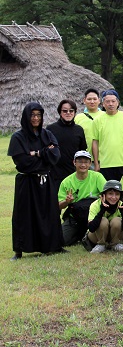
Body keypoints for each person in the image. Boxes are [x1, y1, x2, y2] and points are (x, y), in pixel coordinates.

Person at [7, 102, 63, 260]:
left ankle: (53, 245)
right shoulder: (18, 137)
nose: (36, 118)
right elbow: (22, 162)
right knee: (24, 215)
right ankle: (19, 250)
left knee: (50, 213)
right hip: (27, 182)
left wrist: (37, 153)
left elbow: (56, 156)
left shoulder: (47, 134)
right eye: (32, 115)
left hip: (46, 181)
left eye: (38, 115)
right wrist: (45, 155)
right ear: (26, 116)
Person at [57, 150, 106, 246]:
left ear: (90, 163)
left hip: (94, 216)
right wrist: (67, 202)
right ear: (74, 163)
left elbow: (107, 195)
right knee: (60, 241)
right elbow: (59, 206)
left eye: (86, 161)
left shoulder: (97, 177)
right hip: (75, 218)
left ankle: (87, 234)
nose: (83, 165)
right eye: (80, 161)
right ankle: (79, 235)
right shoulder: (66, 182)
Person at [92, 89, 123, 181]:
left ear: (118, 103)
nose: (110, 104)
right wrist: (96, 163)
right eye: (107, 101)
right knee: (108, 193)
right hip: (105, 164)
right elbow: (95, 142)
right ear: (103, 104)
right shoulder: (97, 120)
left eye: (113, 101)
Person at [47, 99, 87, 187]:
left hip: (74, 174)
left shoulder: (79, 130)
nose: (68, 113)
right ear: (60, 112)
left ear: (75, 112)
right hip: (55, 174)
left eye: (71, 110)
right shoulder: (50, 129)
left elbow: (82, 150)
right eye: (65, 111)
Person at [85, 180, 123, 253]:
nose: (114, 197)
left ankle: (115, 244)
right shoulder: (95, 205)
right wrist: (101, 211)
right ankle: (100, 245)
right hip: (96, 236)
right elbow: (91, 228)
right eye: (110, 194)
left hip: (115, 235)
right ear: (104, 195)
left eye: (117, 194)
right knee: (103, 220)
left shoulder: (122, 205)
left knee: (117, 220)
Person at [74, 88, 104, 155]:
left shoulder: (105, 116)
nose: (92, 102)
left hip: (103, 158)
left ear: (99, 100)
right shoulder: (78, 118)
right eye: (89, 99)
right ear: (84, 100)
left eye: (94, 99)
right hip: (84, 158)